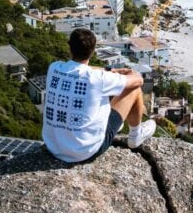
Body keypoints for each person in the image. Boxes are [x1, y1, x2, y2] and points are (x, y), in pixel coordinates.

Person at [42, 28, 156, 164]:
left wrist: (110, 71)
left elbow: (79, 70)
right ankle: (136, 136)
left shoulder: (54, 68)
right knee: (134, 89)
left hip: (54, 147)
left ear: (69, 47)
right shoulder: (98, 79)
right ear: (93, 50)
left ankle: (114, 124)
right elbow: (139, 80)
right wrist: (124, 73)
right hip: (86, 151)